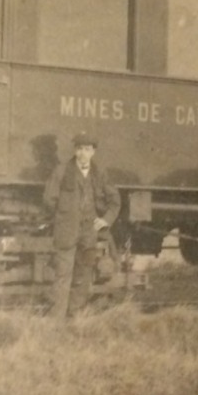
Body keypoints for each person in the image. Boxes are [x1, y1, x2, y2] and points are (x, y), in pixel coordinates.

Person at [44, 132, 121, 317]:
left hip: (89, 234)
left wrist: (105, 220)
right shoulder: (62, 171)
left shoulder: (99, 174)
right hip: (66, 232)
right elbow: (49, 199)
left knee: (83, 276)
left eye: (87, 149)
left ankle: (74, 318)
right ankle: (56, 322)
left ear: (93, 152)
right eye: (79, 149)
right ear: (75, 150)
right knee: (63, 275)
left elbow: (115, 201)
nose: (83, 153)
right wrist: (64, 217)